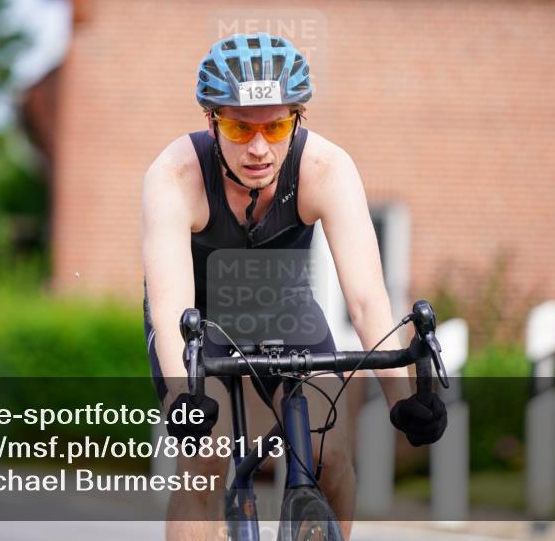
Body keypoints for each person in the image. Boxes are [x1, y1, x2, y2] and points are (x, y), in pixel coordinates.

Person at [142, 32, 447, 540]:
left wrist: (400, 396)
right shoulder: (174, 176)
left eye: (277, 125)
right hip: (197, 319)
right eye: (240, 128)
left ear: (297, 120)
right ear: (212, 121)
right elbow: (171, 309)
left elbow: (368, 298)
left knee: (331, 457)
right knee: (205, 459)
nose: (259, 148)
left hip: (285, 308)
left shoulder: (326, 168)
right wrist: (183, 396)